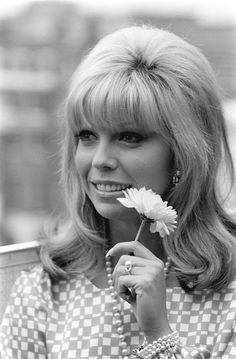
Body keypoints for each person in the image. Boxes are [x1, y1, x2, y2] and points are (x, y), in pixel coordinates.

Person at [1, 25, 236, 359]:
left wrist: (159, 334)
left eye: (129, 137)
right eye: (87, 135)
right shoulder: (43, 290)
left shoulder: (228, 288)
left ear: (184, 150)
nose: (100, 160)